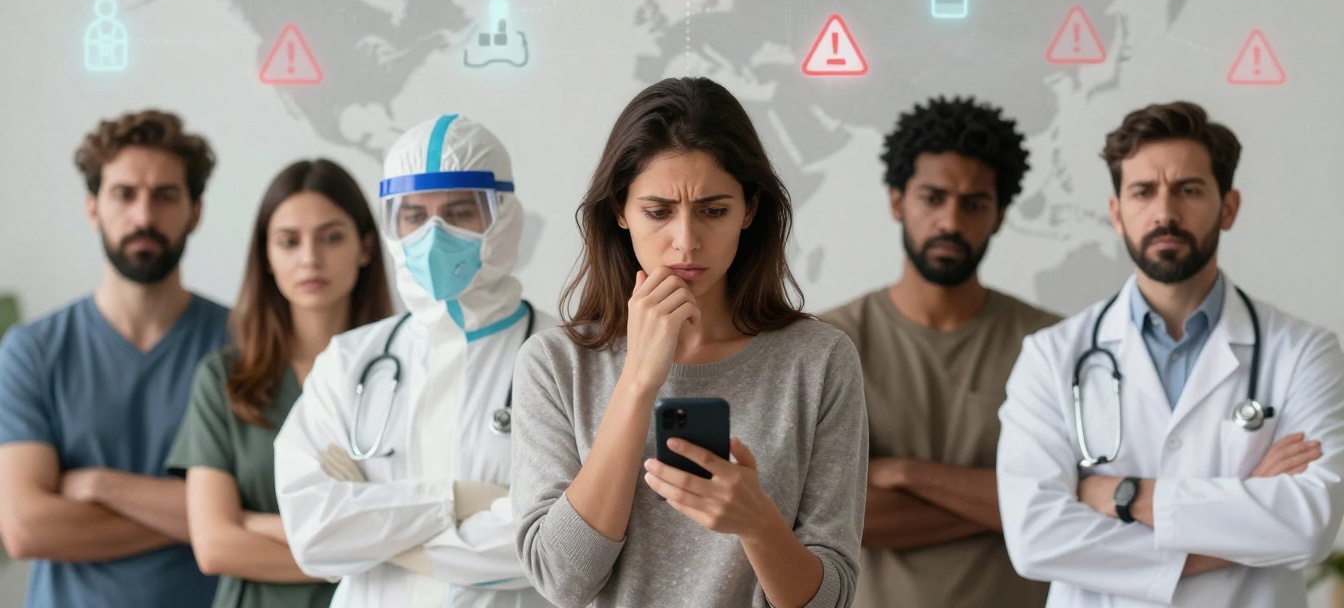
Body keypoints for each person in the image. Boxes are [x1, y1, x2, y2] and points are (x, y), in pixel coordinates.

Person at [512, 76, 868, 608]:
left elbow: (831, 597)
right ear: (620, 211)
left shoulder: (819, 360)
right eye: (658, 213)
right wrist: (637, 381)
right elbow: (561, 580)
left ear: (750, 209)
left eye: (713, 210)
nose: (686, 241)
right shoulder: (555, 364)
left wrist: (758, 523)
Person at [997, 101, 1344, 606]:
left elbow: (1308, 523)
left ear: (1228, 207)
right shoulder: (1051, 357)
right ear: (1117, 214)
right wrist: (1242, 518)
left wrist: (1124, 496)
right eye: (1143, 191)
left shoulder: (1303, 352)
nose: (1165, 212)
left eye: (1189, 189)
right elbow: (1035, 538)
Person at [274, 114, 555, 608]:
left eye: (460, 212)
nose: (433, 234)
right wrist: (465, 501)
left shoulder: (565, 357)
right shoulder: (349, 361)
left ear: (504, 214)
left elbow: (559, 542)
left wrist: (374, 530)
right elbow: (313, 531)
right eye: (413, 215)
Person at [821, 96, 1058, 608]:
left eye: (974, 204)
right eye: (933, 198)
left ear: (998, 216)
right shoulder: (827, 344)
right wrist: (1014, 503)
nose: (951, 222)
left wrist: (904, 473)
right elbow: (827, 519)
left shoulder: (1051, 345)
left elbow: (1072, 509)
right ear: (896, 201)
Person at [0, 110, 228, 607]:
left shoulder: (243, 346)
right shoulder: (32, 351)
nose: (144, 217)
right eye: (124, 194)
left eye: (166, 196)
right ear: (93, 209)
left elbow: (268, 509)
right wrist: (206, 519)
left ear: (195, 212)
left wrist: (100, 485)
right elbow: (24, 528)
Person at [165, 159, 394, 608]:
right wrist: (366, 549)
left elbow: (426, 528)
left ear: (365, 247)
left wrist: (254, 523)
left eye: (331, 237)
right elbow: (214, 546)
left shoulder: (407, 372)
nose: (310, 258)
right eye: (289, 241)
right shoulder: (225, 379)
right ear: (266, 256)